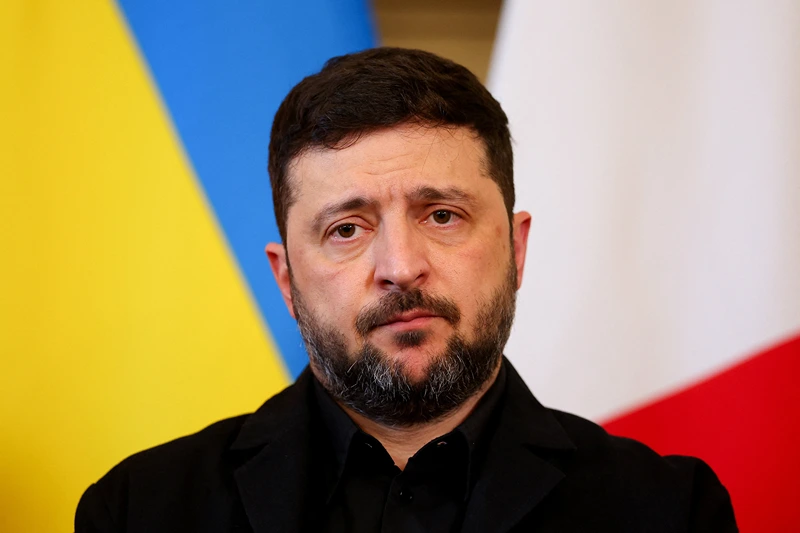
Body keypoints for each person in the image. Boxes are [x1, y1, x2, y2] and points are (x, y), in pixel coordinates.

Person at [75, 47, 737, 532]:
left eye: (441, 214)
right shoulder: (139, 510)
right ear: (286, 278)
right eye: (346, 228)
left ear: (515, 247)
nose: (400, 264)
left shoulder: (671, 511)